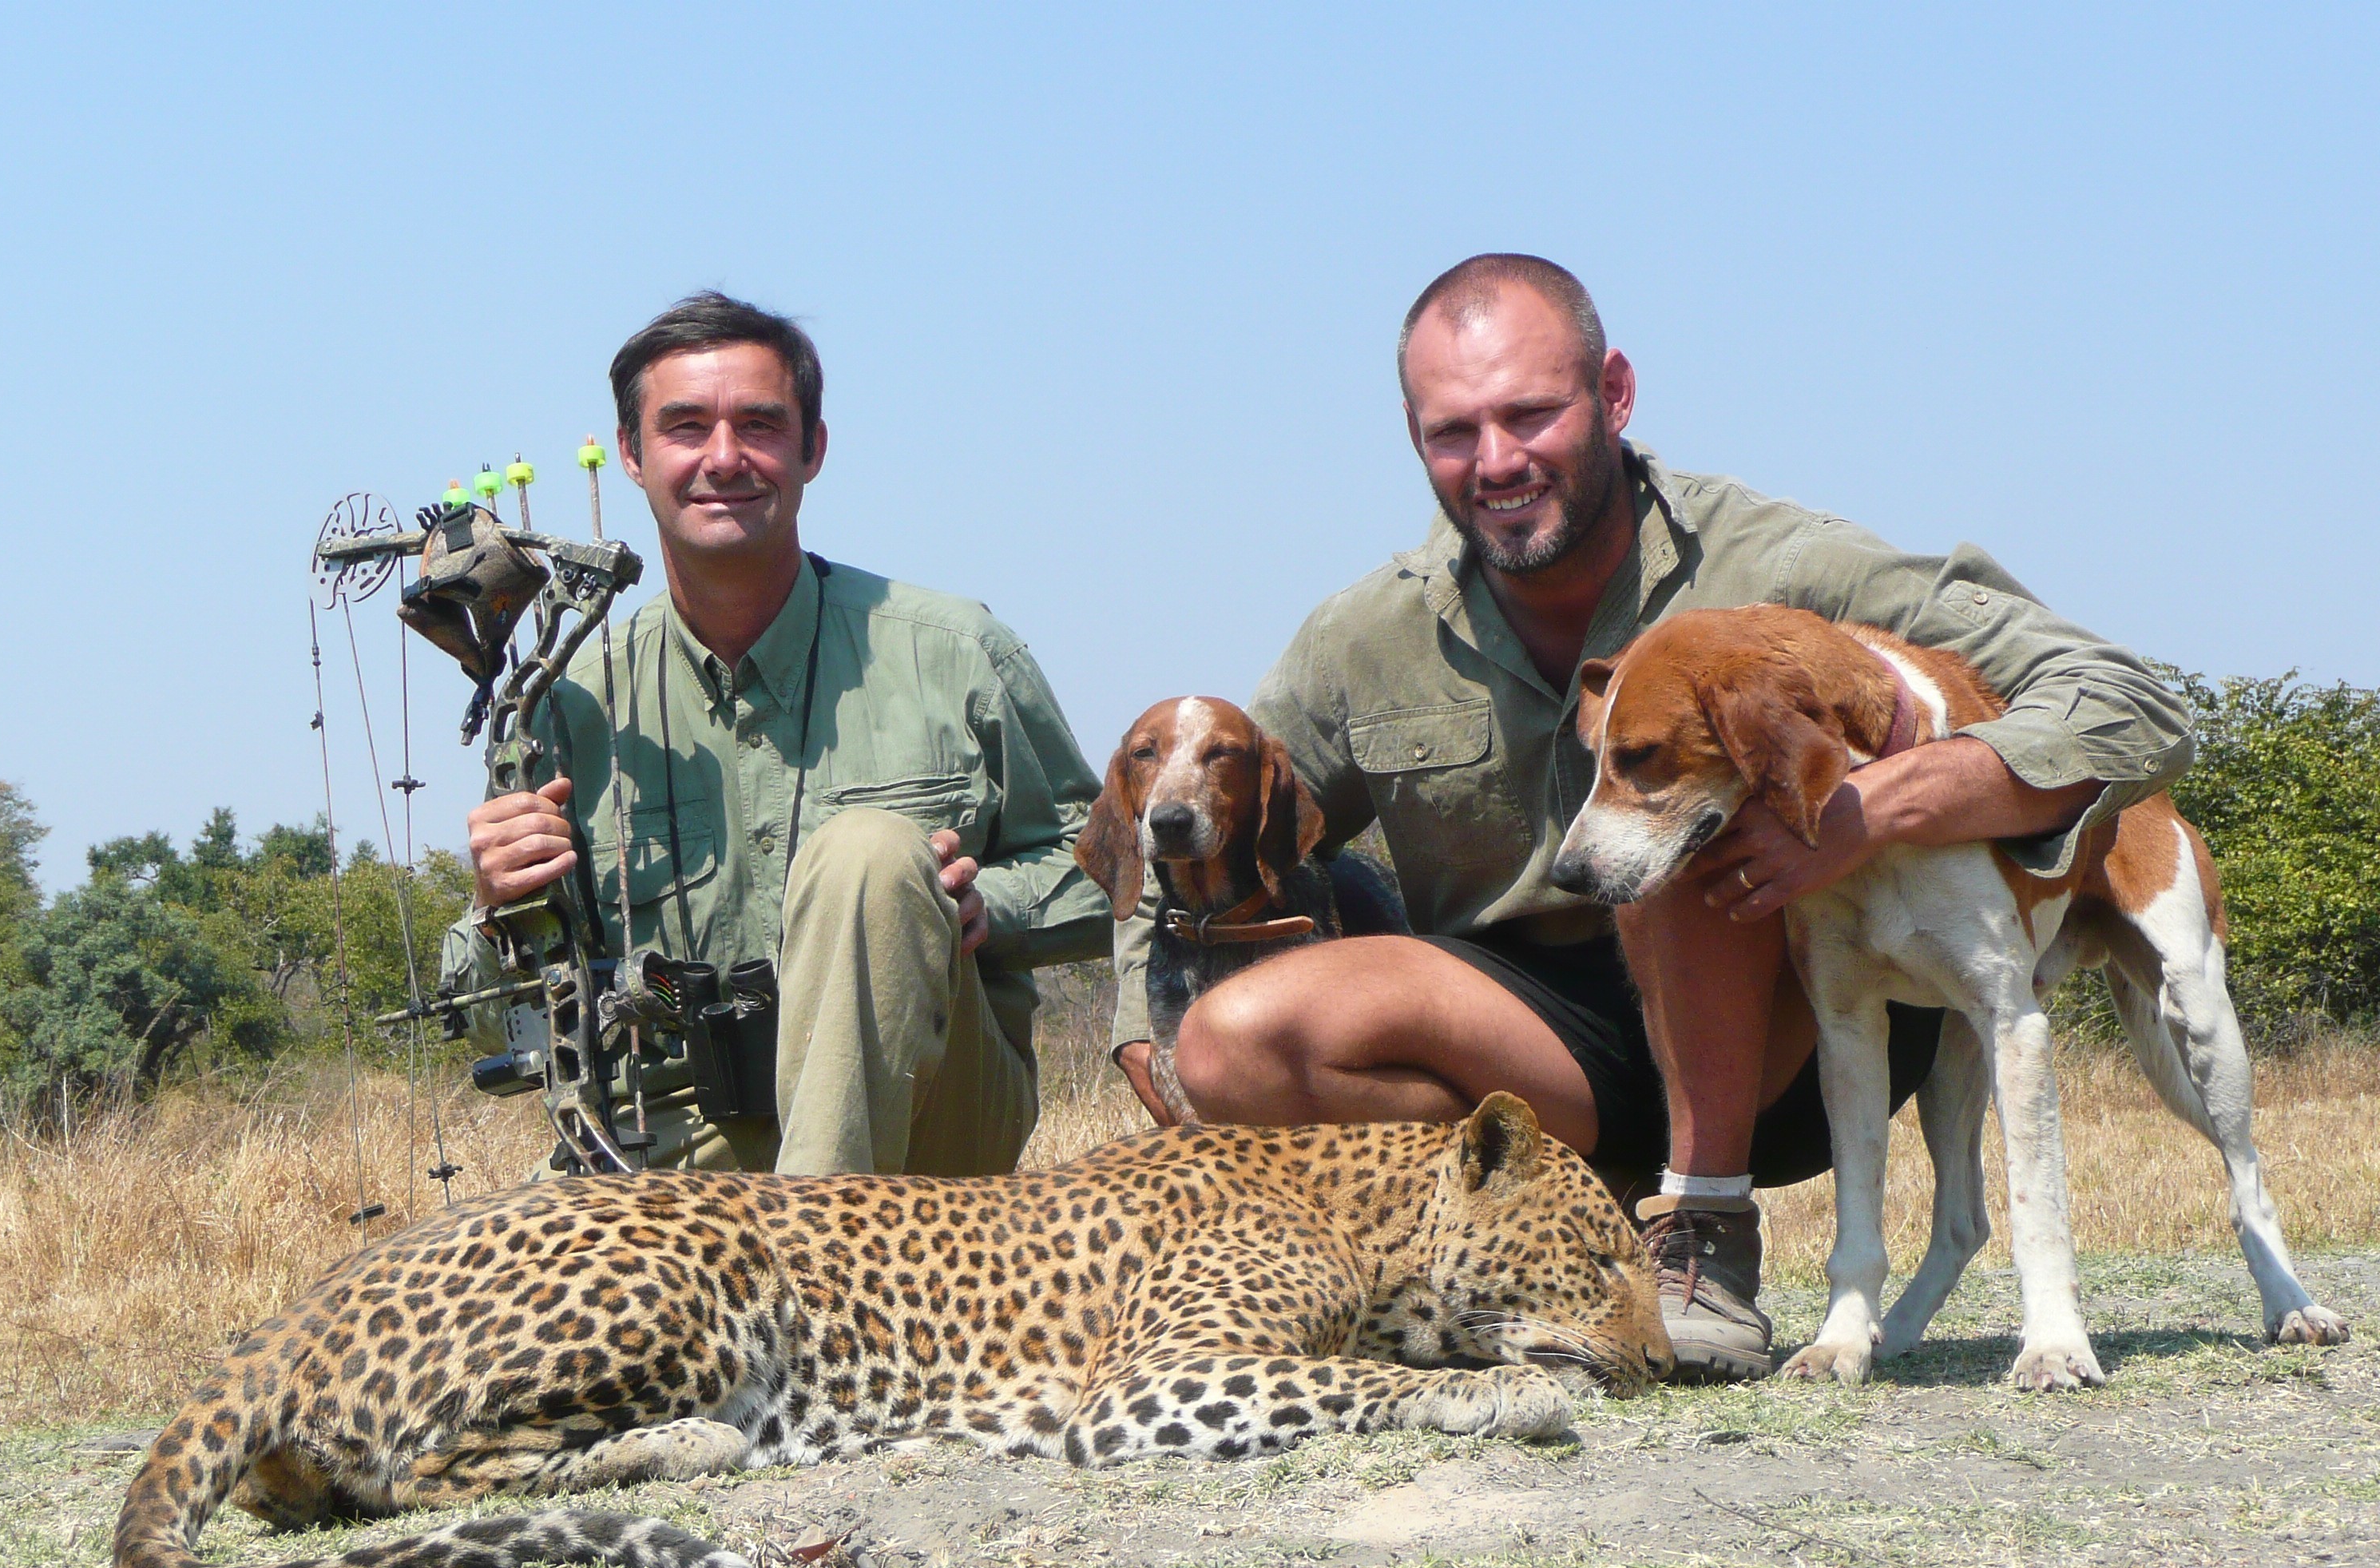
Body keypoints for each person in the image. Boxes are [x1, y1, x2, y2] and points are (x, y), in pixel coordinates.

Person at [1109, 253, 2193, 1380]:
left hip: (1781, 1020)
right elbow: (1212, 822)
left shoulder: (1787, 562)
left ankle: (1705, 1237)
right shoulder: (1363, 636)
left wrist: (1866, 809)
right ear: (1412, 434)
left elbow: (2129, 705)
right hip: (1534, 1055)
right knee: (1231, 1044)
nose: (1496, 462)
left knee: (1668, 829)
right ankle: (1482, 1263)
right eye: (1453, 432)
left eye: (1531, 415)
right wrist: (1138, 1028)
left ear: (1614, 395)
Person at [442, 292, 1109, 1177]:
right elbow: (492, 1018)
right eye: (685, 428)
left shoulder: (957, 653)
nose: (725, 457)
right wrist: (497, 911)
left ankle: (810, 1269)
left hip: (934, 1126)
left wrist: (987, 909)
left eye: (759, 425)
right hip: (671, 1143)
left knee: (871, 851)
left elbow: (1112, 875)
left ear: (812, 450)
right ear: (633, 458)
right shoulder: (565, 707)